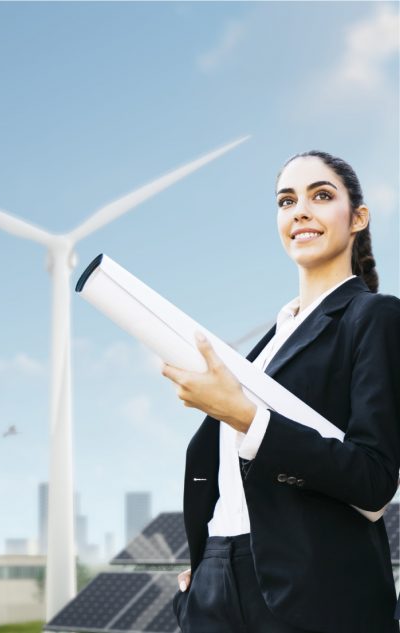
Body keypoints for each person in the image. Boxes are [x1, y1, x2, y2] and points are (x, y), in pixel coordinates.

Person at [161, 150, 400, 633]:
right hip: (215, 586)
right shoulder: (268, 344)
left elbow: (375, 479)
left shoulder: (373, 317)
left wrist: (248, 417)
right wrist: (208, 562)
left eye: (321, 195)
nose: (300, 211)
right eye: (286, 200)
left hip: (309, 595)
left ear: (358, 218)